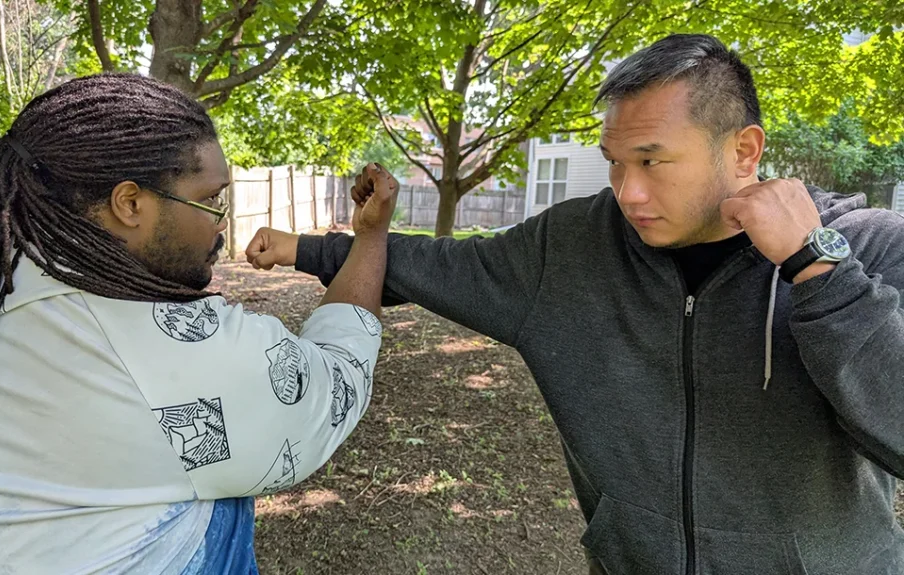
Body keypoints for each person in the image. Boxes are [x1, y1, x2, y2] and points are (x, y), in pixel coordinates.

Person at [246, 34, 904, 574]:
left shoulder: (869, 248)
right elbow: (434, 266)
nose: (627, 191)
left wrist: (819, 271)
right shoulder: (570, 248)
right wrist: (305, 247)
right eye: (615, 162)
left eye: (652, 161)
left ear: (745, 150)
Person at [0, 73, 399, 574]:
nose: (221, 221)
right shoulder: (164, 345)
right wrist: (371, 238)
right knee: (223, 492)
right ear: (130, 203)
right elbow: (335, 381)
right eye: (211, 199)